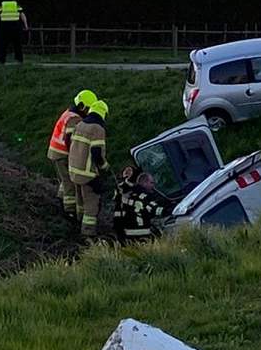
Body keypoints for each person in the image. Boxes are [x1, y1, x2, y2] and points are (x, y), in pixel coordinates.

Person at [47, 89, 98, 221]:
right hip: (62, 154)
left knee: (64, 180)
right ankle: (69, 212)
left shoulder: (68, 113)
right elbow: (70, 140)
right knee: (69, 183)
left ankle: (60, 201)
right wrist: (76, 156)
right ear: (82, 106)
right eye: (88, 108)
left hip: (56, 152)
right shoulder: (75, 119)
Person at [67, 98, 110, 241]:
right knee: (91, 203)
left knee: (80, 200)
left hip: (74, 171)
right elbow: (97, 153)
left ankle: (77, 223)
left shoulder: (79, 124)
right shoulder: (98, 129)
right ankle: (88, 233)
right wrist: (104, 167)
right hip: (87, 174)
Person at [114, 164, 174, 243]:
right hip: (142, 236)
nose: (153, 185)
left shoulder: (124, 197)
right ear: (144, 183)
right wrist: (172, 209)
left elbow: (118, 217)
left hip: (127, 236)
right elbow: (155, 210)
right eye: (151, 182)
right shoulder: (143, 197)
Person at [0, 0, 28, 64]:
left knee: (3, 45)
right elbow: (22, 15)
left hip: (4, 28)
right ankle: (19, 60)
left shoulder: (2, 5)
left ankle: (2, 60)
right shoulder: (16, 5)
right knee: (17, 45)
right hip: (16, 27)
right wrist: (26, 25)